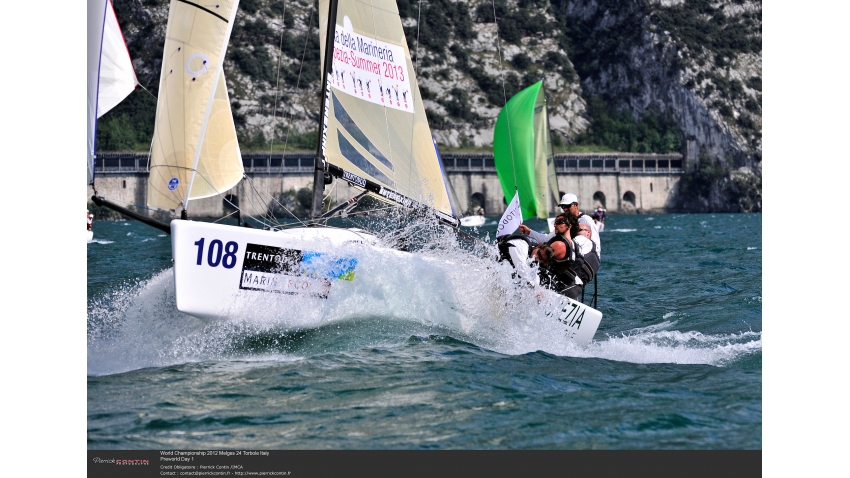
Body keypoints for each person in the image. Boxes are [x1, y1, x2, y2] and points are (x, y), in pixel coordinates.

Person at [519, 193, 601, 259]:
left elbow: (595, 243)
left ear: (576, 205)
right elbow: (547, 239)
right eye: (563, 206)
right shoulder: (562, 223)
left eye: (568, 206)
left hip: (583, 259)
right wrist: (529, 232)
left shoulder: (586, 220)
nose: (565, 209)